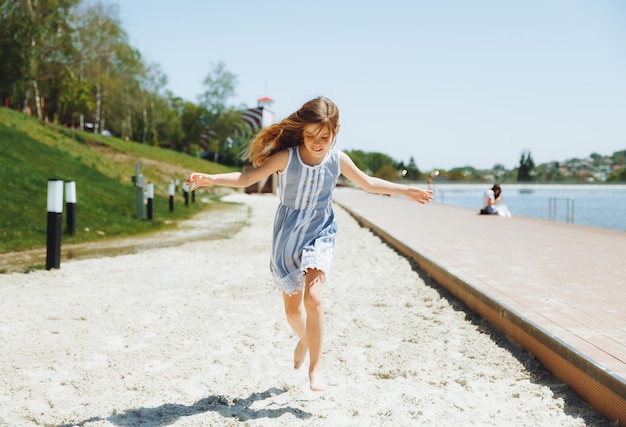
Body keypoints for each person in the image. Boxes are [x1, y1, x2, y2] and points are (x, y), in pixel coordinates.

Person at [186, 96, 434, 392]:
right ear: (302, 132)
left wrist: (406, 190)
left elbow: (367, 183)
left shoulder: (337, 160)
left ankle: (316, 368)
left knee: (313, 298)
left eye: (324, 136)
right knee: (292, 312)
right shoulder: (286, 157)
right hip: (288, 236)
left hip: (320, 230)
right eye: (310, 136)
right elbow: (247, 178)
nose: (317, 142)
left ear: (335, 132)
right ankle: (305, 338)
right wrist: (211, 179)